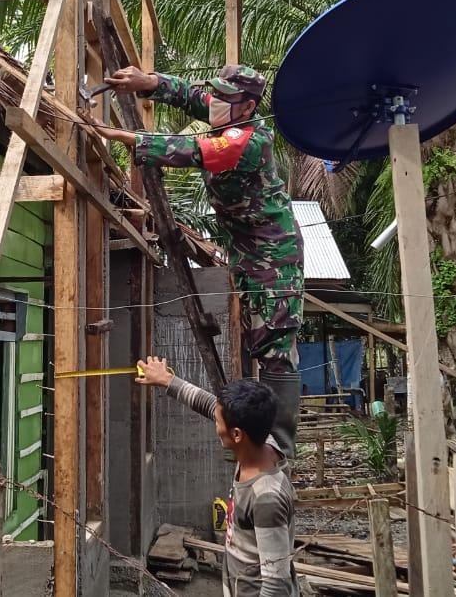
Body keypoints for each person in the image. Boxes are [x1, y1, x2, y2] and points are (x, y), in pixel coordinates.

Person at [98, 64, 305, 457]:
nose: (214, 105)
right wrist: (153, 83)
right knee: (252, 338)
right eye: (216, 95)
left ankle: (278, 445)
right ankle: (246, 423)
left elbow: (193, 151)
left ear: (247, 106)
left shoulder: (249, 141)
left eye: (224, 99)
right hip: (246, 252)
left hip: (273, 258)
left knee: (274, 347)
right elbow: (194, 98)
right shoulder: (225, 109)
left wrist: (129, 139)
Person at [136, 355, 298, 596]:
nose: (215, 422)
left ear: (236, 434)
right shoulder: (260, 443)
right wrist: (167, 380)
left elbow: (277, 585)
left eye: (218, 420)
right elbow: (210, 404)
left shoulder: (266, 497)